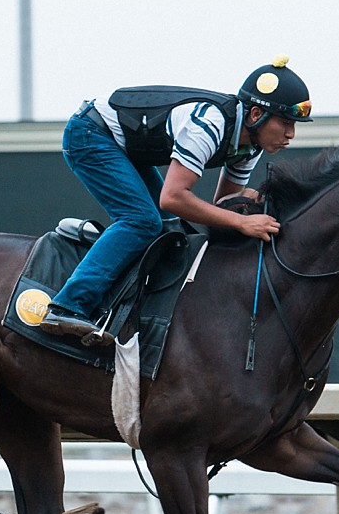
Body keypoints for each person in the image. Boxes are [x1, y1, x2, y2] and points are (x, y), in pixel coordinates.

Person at [40, 55, 313, 344]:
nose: (291, 134)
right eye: (285, 123)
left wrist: (249, 202)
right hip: (91, 134)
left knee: (171, 230)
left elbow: (222, 203)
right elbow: (172, 198)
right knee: (142, 222)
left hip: (124, 146)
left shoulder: (250, 146)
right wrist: (243, 222)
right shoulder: (209, 124)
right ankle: (67, 305)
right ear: (256, 115)